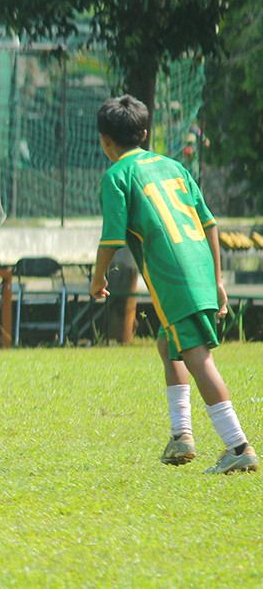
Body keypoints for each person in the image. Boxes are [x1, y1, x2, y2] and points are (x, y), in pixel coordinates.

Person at [89, 94, 257, 475]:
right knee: (169, 345)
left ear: (104, 140)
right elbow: (210, 224)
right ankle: (181, 436)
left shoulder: (117, 176)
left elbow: (111, 240)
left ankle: (238, 446)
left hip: (173, 279)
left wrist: (97, 279)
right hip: (199, 267)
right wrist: (216, 279)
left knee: (197, 357)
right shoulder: (173, 166)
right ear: (145, 133)